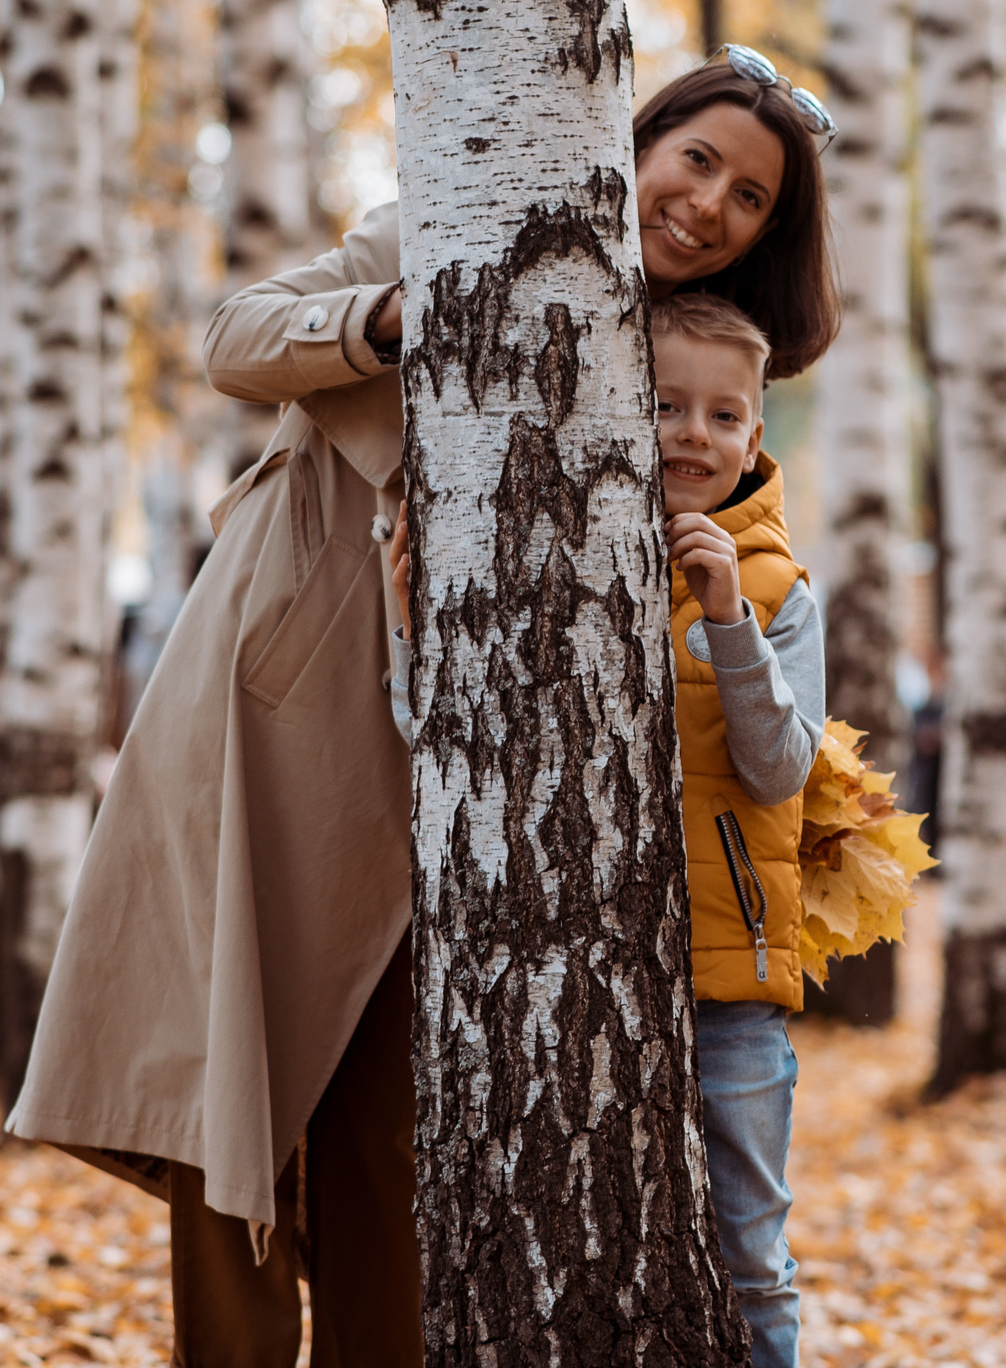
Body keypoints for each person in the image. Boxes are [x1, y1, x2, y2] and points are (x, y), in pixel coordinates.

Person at [5, 49, 842, 1368]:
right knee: (242, 1071)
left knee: (394, 1117)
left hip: (478, 755)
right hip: (290, 691)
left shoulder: (696, 368)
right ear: (640, 138)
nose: (710, 205)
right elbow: (233, 339)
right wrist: (408, 314)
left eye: (751, 200)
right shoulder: (454, 232)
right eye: (700, 160)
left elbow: (743, 563)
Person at [382, 293, 821, 1366]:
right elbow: (441, 740)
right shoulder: (561, 555)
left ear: (755, 438)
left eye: (724, 416)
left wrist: (727, 621)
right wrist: (406, 627)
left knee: (748, 1255)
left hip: (729, 990)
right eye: (667, 403)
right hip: (576, 973)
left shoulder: (775, 587)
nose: (691, 433)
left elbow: (782, 765)